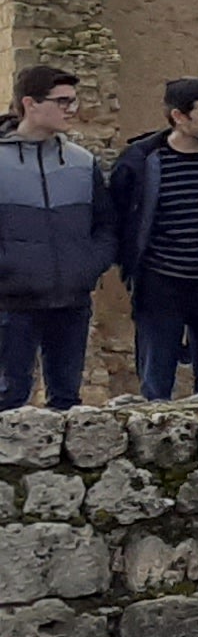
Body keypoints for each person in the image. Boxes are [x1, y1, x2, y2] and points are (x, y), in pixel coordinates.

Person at [107, 77, 198, 398]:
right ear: (179, 118)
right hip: (160, 284)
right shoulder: (140, 161)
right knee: (156, 381)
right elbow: (117, 216)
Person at [0, 65, 111, 409]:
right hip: (10, 301)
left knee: (67, 401)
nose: (71, 110)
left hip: (72, 300)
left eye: (73, 102)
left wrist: (88, 267)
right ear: (30, 104)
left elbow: (106, 226)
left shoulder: (82, 162)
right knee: (8, 399)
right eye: (62, 101)